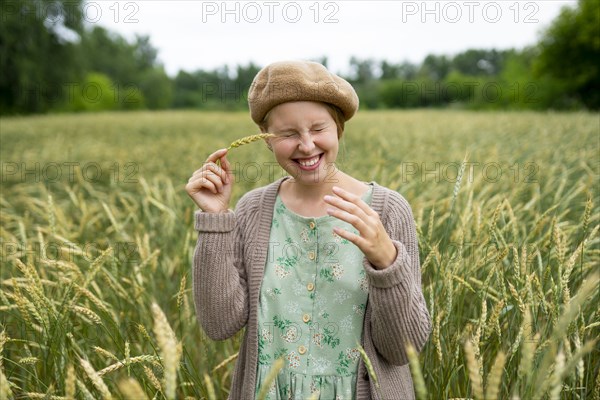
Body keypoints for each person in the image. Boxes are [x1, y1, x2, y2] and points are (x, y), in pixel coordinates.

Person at [185, 60, 431, 400]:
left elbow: (403, 349)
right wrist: (215, 220)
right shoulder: (253, 210)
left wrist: (386, 260)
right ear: (268, 142)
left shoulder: (387, 210)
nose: (305, 145)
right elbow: (219, 324)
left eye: (318, 129)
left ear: (339, 129)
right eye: (287, 134)